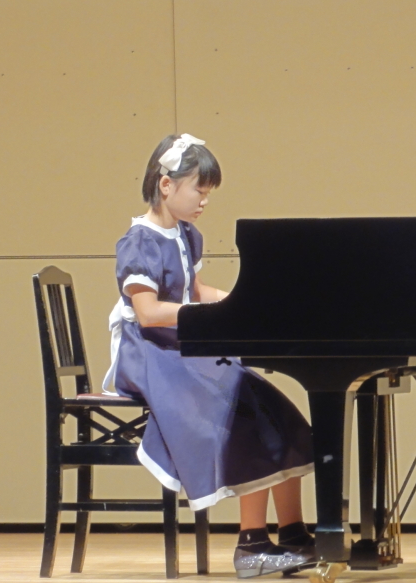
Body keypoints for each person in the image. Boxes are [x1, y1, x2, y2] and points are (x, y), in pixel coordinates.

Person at [104, 134, 316, 577]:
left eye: (207, 193)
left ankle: (294, 532)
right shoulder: (139, 241)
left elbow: (196, 291)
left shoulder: (186, 234)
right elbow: (148, 314)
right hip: (151, 356)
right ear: (166, 185)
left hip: (181, 348)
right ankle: (251, 545)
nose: (204, 200)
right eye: (198, 190)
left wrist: (245, 303)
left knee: (272, 408)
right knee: (242, 414)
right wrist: (209, 314)